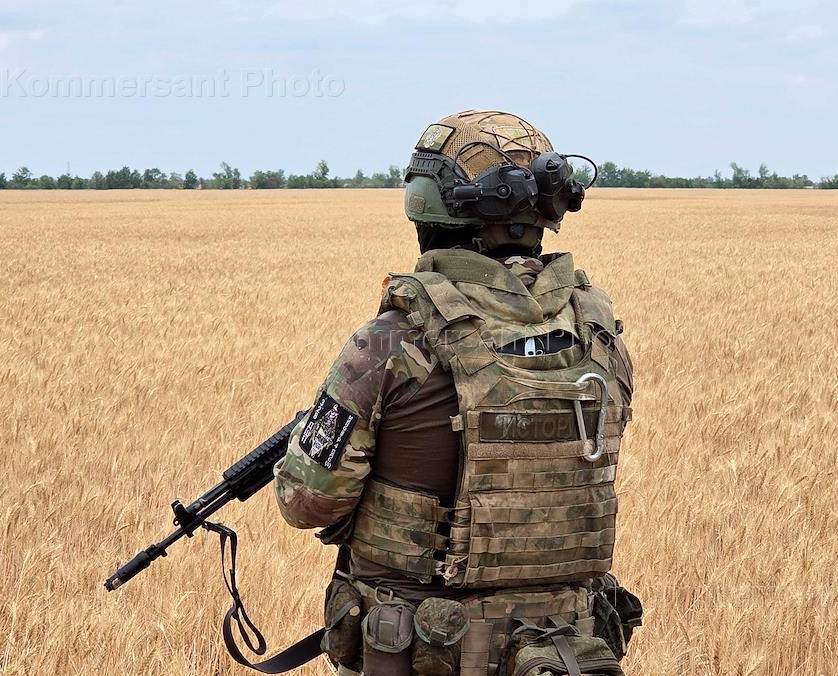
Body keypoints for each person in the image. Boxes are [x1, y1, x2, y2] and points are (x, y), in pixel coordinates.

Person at [274, 110, 641, 676]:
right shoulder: (598, 336)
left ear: (430, 210)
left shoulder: (390, 344)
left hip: (426, 652)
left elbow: (307, 502)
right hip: (566, 653)